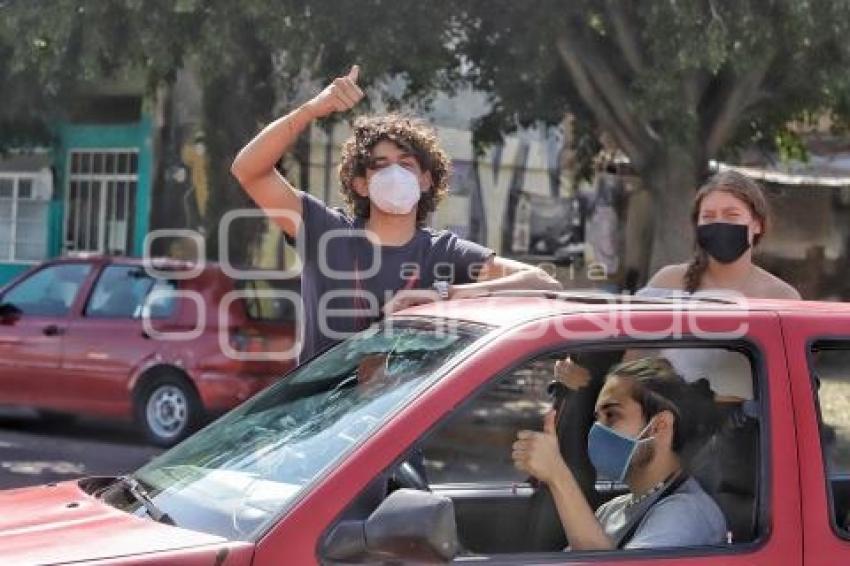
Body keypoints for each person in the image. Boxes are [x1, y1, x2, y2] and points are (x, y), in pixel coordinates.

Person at [231, 65, 561, 361]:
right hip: (319, 421)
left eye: (406, 165)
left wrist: (446, 294)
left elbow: (544, 282)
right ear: (360, 184)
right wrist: (310, 111)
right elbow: (249, 170)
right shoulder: (325, 232)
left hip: (396, 426)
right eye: (380, 165)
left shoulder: (443, 252)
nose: (395, 174)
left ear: (425, 180)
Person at [513, 357, 726, 550]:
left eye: (612, 415)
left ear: (659, 426)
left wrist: (558, 475)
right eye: (597, 418)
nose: (597, 430)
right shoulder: (611, 510)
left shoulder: (688, 513)